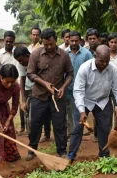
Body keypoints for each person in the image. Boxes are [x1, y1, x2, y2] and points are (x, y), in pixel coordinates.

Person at [69, 45, 117, 161]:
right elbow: (78, 91)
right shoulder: (84, 68)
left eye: (107, 61)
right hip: (85, 100)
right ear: (95, 57)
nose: (104, 64)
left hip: (103, 101)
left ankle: (104, 156)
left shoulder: (113, 69)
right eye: (101, 61)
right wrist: (82, 111)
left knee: (104, 130)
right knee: (77, 129)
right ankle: (71, 156)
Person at [26, 28, 73, 160]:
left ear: (56, 40)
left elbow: (70, 74)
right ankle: (32, 150)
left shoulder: (64, 55)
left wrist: (63, 87)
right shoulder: (35, 54)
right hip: (39, 96)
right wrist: (44, 84)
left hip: (57, 97)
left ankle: (62, 151)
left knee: (59, 125)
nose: (48, 47)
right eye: (45, 44)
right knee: (35, 123)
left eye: (51, 44)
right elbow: (30, 74)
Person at [0, 31, 27, 135]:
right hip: (3, 85)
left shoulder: (17, 53)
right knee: (5, 106)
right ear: (3, 40)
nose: (8, 43)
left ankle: (22, 126)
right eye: (7, 41)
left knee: (19, 104)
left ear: (14, 41)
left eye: (11, 42)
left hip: (17, 83)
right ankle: (3, 125)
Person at [66, 31, 93, 139]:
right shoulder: (64, 53)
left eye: (76, 41)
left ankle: (77, 133)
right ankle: (71, 134)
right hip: (68, 88)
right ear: (68, 40)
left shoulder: (87, 54)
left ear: (80, 41)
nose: (73, 43)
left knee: (80, 111)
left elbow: (92, 71)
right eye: (71, 40)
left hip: (83, 89)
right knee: (69, 112)